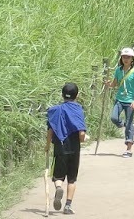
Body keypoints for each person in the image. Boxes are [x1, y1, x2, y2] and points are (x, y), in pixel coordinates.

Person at [47, 82, 88, 215]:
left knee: (58, 176)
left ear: (62, 95)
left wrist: (47, 146)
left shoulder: (55, 110)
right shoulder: (78, 109)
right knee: (72, 178)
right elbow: (81, 133)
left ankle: (59, 187)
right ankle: (68, 206)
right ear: (77, 95)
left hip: (60, 147)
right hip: (74, 147)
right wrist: (83, 139)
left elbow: (50, 131)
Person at [109, 47, 134, 157]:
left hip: (130, 101)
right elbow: (114, 84)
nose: (126, 59)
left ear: (132, 59)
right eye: (124, 57)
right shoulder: (118, 70)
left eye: (128, 57)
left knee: (129, 124)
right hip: (119, 99)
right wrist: (108, 84)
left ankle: (129, 149)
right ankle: (127, 125)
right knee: (114, 118)